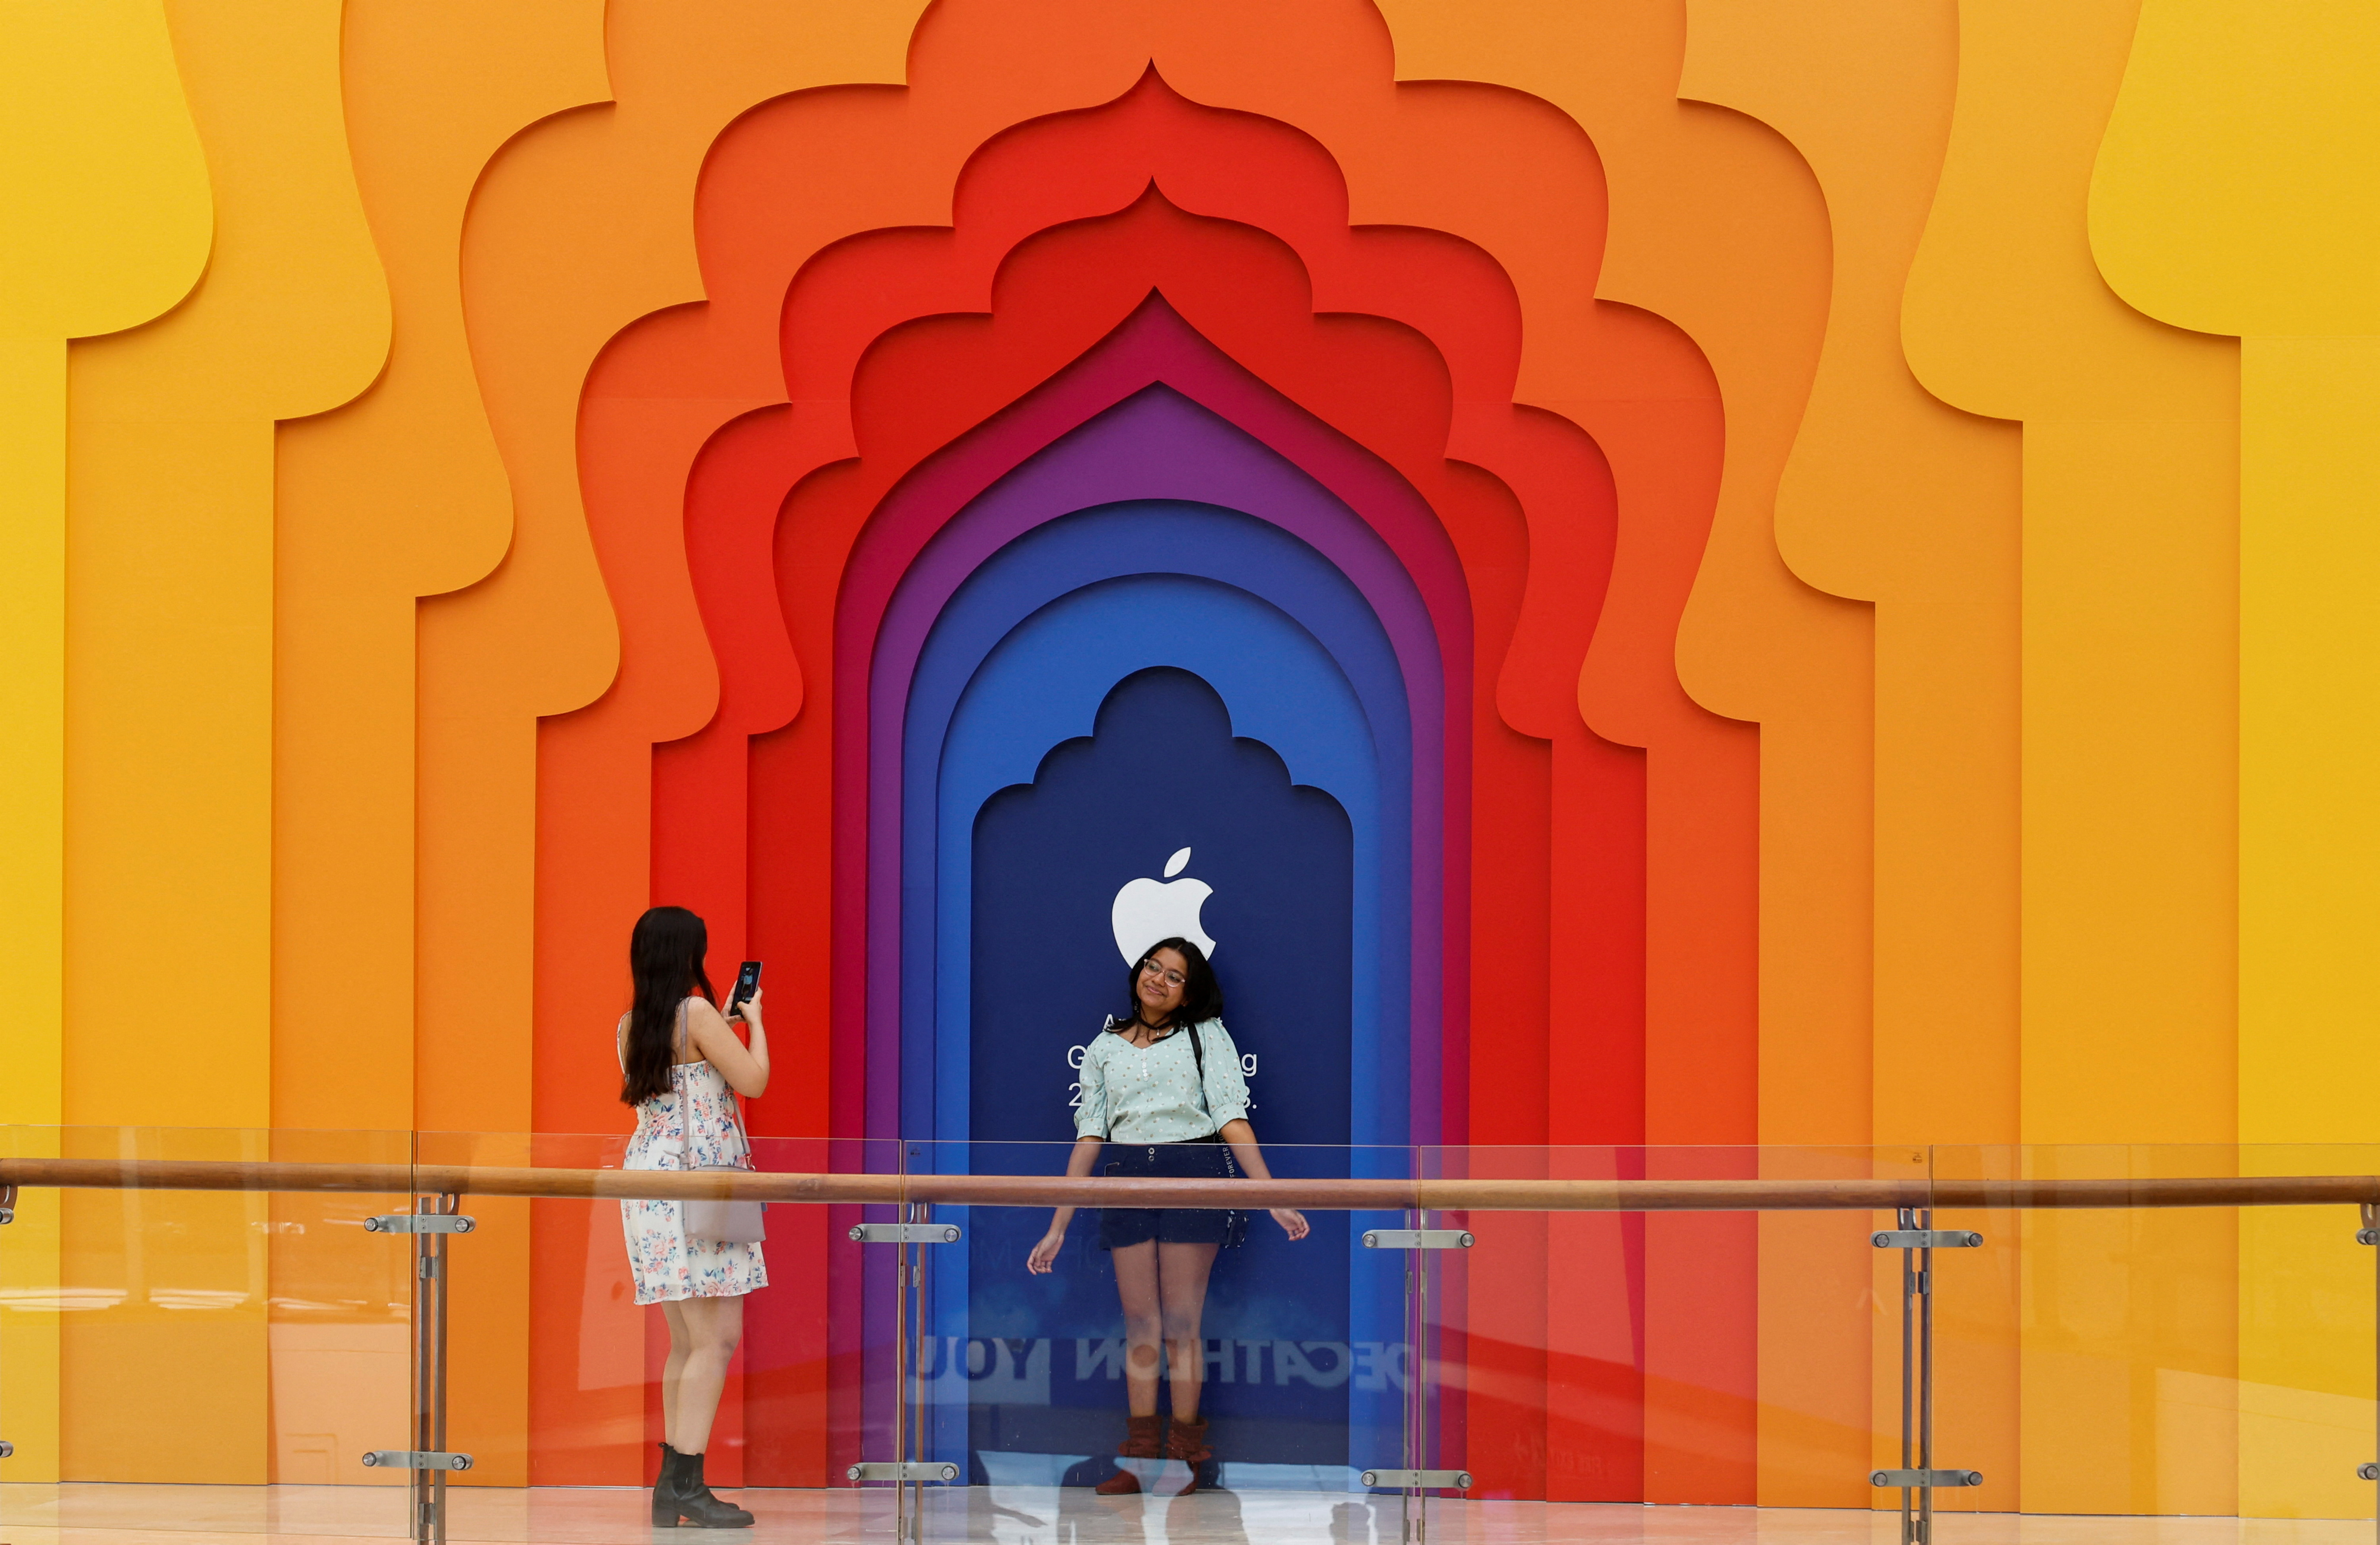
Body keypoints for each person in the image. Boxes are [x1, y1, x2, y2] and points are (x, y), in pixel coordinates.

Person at [1027, 937, 1310, 1496]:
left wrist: (1272, 1194)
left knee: (1182, 1325)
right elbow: (1090, 1137)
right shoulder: (1105, 1046)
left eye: (1174, 975)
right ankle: (1136, 1461)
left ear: (1188, 995)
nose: (1158, 978)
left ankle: (1185, 1459)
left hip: (1192, 1171)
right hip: (1128, 1176)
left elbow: (1232, 1119)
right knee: (1141, 1326)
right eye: (1153, 965)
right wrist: (1057, 1224)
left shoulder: (1207, 1037)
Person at [617, 905, 770, 1528]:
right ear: (689, 955)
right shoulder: (700, 1014)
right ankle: (687, 1484)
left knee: (686, 1341)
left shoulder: (630, 1024)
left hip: (650, 1183)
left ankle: (672, 1487)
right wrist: (754, 1022)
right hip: (703, 1183)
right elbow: (754, 1081)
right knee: (717, 1338)